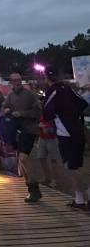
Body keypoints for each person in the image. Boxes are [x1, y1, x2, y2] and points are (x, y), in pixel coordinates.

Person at [43, 66, 89, 210]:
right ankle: (79, 198)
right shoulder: (68, 88)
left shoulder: (53, 90)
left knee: (71, 166)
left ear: (46, 78)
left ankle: (84, 197)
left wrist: (60, 115)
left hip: (65, 132)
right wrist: (73, 115)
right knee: (77, 165)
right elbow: (83, 103)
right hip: (78, 130)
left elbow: (46, 113)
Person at [2, 72, 41, 202]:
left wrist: (22, 113)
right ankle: (31, 189)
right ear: (11, 82)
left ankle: (34, 189)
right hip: (16, 130)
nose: (17, 83)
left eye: (19, 80)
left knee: (24, 158)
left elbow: (37, 111)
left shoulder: (29, 95)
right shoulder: (10, 96)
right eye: (14, 81)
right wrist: (6, 110)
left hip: (29, 130)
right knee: (21, 160)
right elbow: (4, 107)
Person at [37, 114, 63, 188]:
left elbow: (59, 128)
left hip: (52, 139)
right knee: (41, 158)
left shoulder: (56, 114)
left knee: (54, 160)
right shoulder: (43, 112)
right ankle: (47, 177)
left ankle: (55, 180)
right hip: (42, 138)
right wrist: (39, 126)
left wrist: (48, 129)